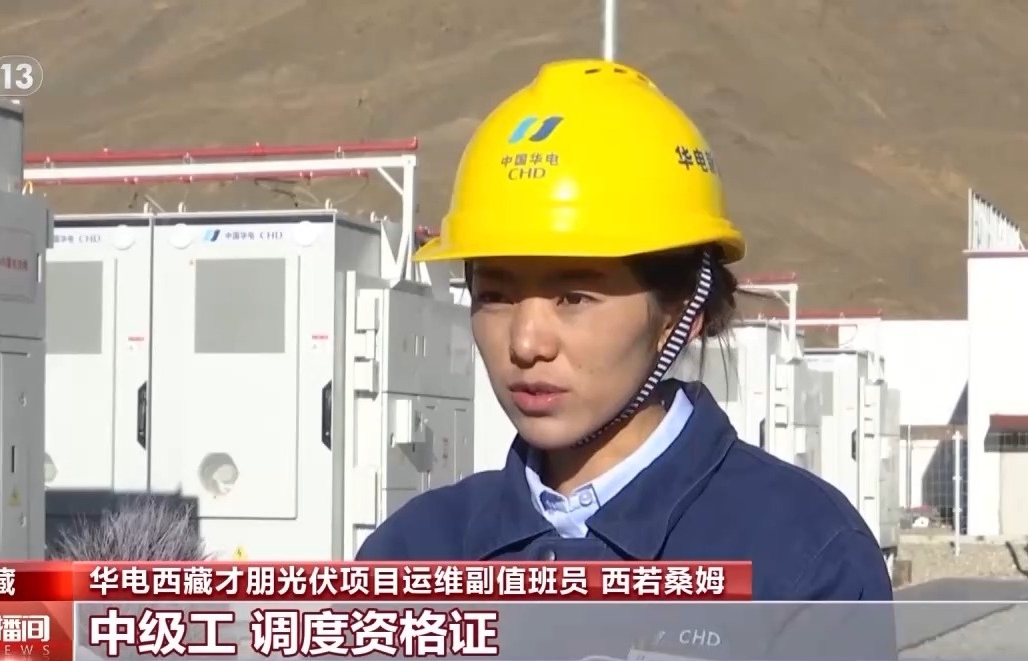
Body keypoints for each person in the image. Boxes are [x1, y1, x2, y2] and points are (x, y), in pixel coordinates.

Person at [357, 58, 892, 606]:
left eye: (573, 298)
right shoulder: (412, 553)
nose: (525, 343)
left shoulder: (802, 558)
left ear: (682, 312)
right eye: (495, 295)